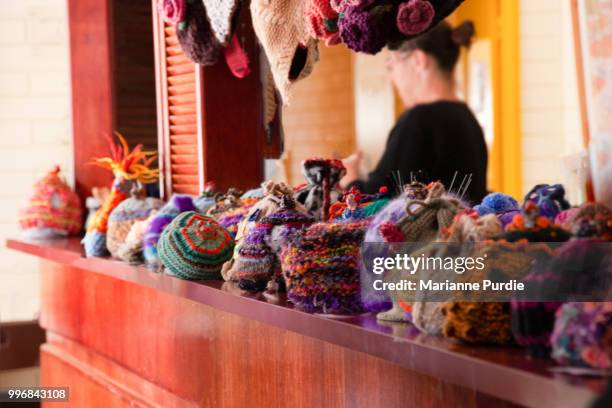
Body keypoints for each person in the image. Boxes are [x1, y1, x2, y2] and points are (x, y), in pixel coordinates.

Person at [341, 20, 488, 204]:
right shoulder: (467, 118)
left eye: (391, 65)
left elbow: (378, 201)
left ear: (419, 60)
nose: (392, 77)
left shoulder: (419, 121)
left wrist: (350, 180)